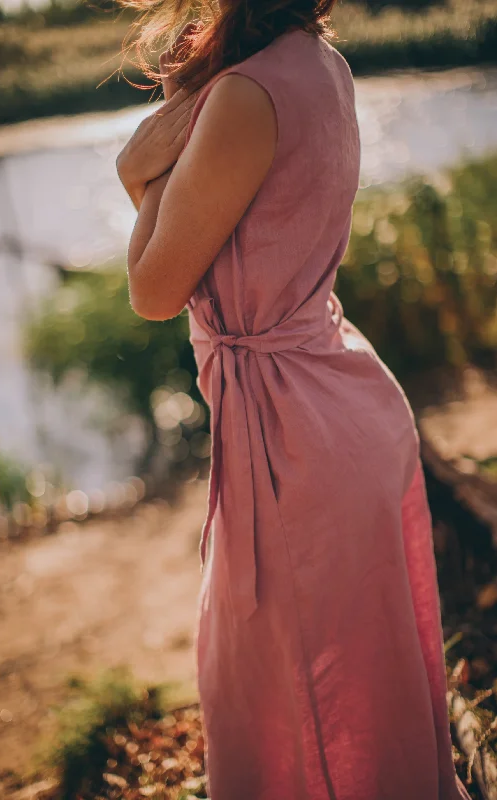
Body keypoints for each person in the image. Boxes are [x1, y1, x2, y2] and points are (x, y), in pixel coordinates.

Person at [116, 2, 471, 798]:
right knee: (358, 690)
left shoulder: (247, 94)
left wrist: (135, 182)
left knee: (290, 696)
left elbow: (151, 290)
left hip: (294, 440)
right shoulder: (319, 63)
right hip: (336, 406)